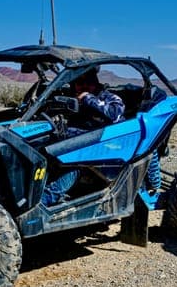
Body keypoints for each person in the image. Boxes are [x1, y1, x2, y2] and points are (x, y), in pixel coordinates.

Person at [42, 68, 126, 205]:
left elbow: (114, 113)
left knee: (75, 162)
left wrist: (88, 98)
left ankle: (47, 199)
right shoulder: (71, 98)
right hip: (80, 146)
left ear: (95, 83)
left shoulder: (108, 97)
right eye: (80, 83)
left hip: (109, 149)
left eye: (89, 83)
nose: (84, 86)